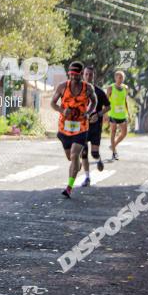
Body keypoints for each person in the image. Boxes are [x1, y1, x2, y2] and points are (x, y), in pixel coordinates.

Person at [52, 61, 97, 198]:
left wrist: (88, 113)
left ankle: (69, 187)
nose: (73, 78)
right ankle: (76, 166)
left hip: (81, 127)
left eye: (76, 75)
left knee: (74, 155)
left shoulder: (88, 88)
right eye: (71, 75)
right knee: (70, 158)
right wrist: (61, 110)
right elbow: (53, 103)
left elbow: (94, 102)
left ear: (81, 75)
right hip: (64, 128)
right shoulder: (62, 87)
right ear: (68, 74)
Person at [81, 65, 110, 185]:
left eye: (90, 74)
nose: (88, 76)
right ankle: (87, 178)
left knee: (93, 153)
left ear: (94, 76)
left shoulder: (99, 91)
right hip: (82, 126)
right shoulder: (78, 90)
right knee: (83, 152)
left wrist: (98, 114)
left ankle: (98, 159)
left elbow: (108, 106)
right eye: (86, 74)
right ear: (83, 74)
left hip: (95, 126)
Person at [106, 71, 130, 160]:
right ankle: (114, 152)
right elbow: (106, 101)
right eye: (119, 77)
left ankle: (113, 145)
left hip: (123, 114)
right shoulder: (110, 88)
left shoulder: (126, 88)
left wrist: (129, 113)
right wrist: (105, 114)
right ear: (115, 78)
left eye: (122, 77)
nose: (121, 79)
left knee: (124, 133)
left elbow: (125, 101)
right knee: (113, 132)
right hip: (113, 113)